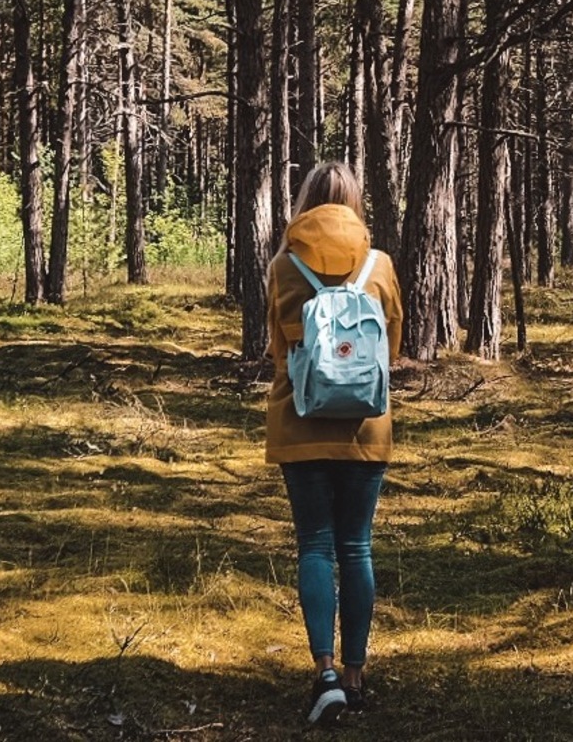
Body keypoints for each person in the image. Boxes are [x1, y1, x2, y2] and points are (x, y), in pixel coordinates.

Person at [263, 161, 402, 726]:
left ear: (306, 202)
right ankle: (356, 675)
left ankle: (324, 674)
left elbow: (277, 348)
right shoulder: (380, 265)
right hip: (365, 427)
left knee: (316, 547)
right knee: (357, 547)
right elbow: (391, 343)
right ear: (353, 202)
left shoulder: (284, 265)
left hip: (299, 424)